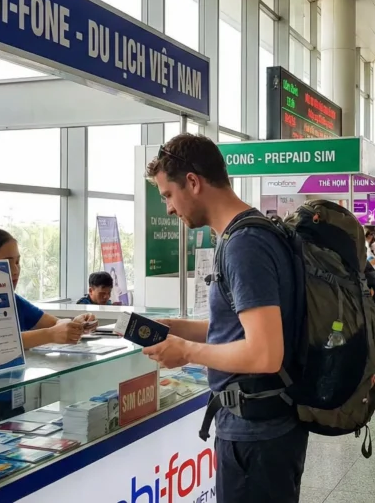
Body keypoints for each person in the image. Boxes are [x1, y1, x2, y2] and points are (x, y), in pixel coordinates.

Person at [142, 134, 306, 502]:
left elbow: (265, 354)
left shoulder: (244, 245)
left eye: (168, 195)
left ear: (194, 182)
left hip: (257, 434)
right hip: (266, 425)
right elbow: (242, 329)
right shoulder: (251, 231)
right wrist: (178, 330)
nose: (168, 208)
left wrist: (185, 351)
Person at [0, 228, 96, 422]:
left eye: (17, 262)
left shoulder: (12, 300)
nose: (15, 270)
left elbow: (52, 322)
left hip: (10, 399)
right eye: (7, 263)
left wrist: (75, 324)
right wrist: (50, 335)